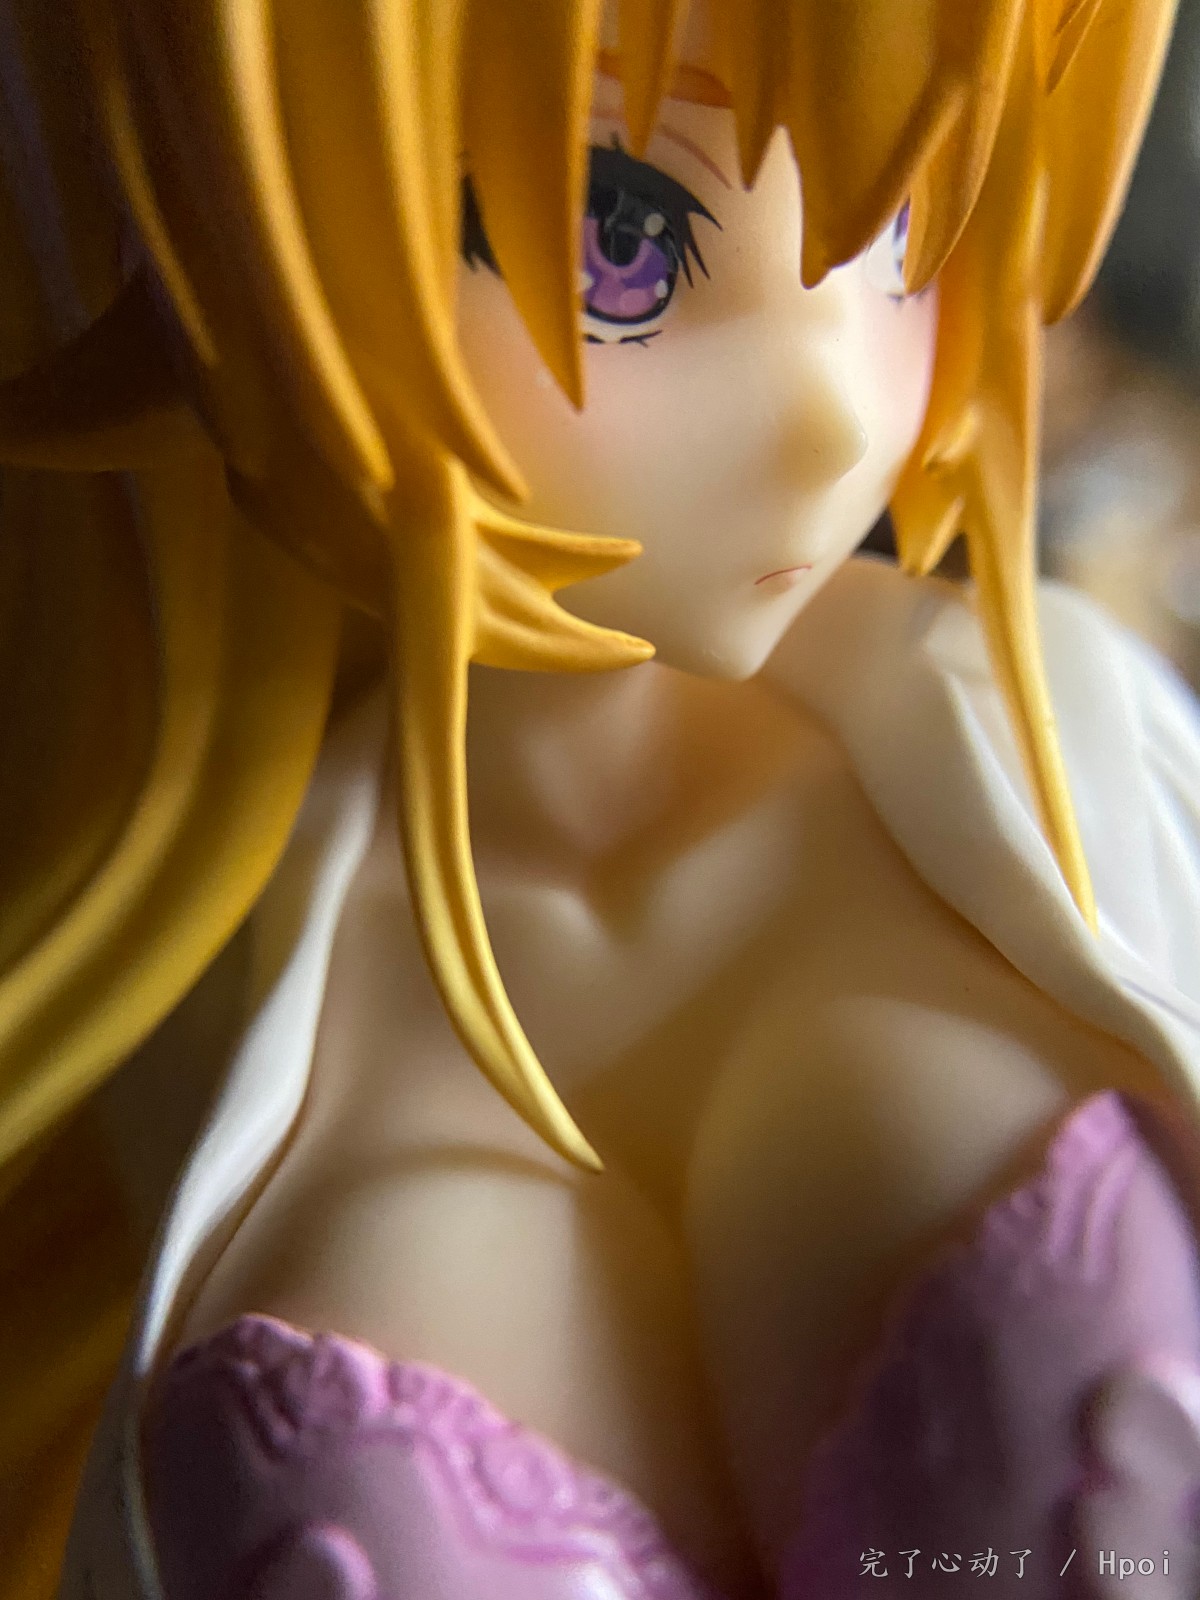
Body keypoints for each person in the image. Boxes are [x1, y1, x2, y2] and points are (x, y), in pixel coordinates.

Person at [1, 0, 1197, 1596]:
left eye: (905, 228)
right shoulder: (169, 989)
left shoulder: (1064, 748)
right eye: (617, 238)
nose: (837, 411)